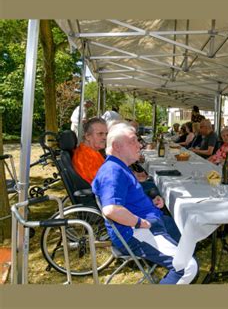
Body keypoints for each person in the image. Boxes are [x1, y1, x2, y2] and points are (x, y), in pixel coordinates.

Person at [92, 123, 198, 284]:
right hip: (136, 232)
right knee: (187, 267)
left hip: (150, 223)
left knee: (190, 236)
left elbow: (127, 200)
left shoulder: (120, 167)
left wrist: (151, 202)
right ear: (117, 146)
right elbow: (111, 209)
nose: (139, 145)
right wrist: (140, 222)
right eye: (133, 141)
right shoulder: (113, 171)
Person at [72, 117, 108, 184]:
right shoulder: (85, 157)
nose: (105, 138)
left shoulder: (92, 151)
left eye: (106, 134)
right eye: (100, 134)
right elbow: (102, 184)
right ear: (87, 136)